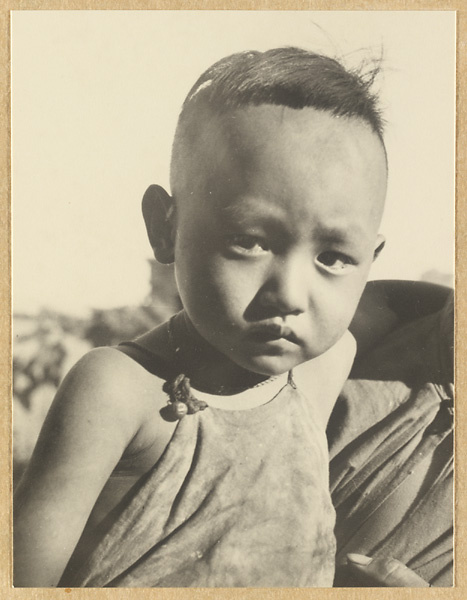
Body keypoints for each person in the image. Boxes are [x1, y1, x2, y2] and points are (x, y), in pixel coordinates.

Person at [13, 47, 452, 588]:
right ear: (164, 227)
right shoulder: (117, 392)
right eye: (248, 242)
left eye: (333, 258)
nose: (289, 294)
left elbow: (413, 309)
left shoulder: (320, 368)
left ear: (369, 264)